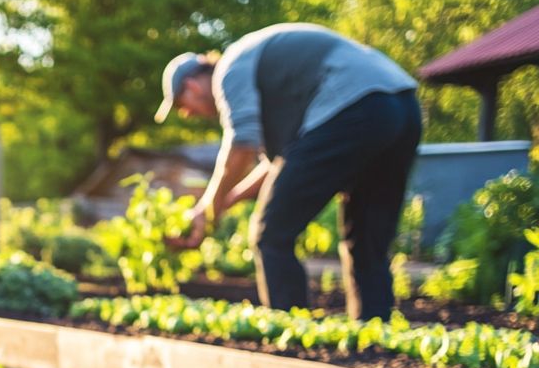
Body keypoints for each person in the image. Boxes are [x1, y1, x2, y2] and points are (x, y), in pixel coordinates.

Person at [156, 23, 422, 320]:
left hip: (353, 105)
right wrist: (227, 200)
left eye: (183, 106)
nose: (189, 114)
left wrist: (208, 207)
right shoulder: (260, 70)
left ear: (191, 86)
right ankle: (375, 338)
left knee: (270, 235)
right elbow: (279, 165)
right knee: (366, 241)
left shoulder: (229, 71)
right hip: (401, 105)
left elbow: (242, 143)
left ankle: (291, 335)